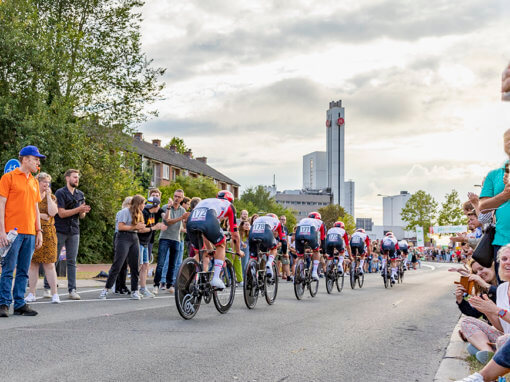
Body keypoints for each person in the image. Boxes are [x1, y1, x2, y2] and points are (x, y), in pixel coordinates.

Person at [0, 145, 45, 317]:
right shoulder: (8, 177)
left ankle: (19, 303)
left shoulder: (33, 181)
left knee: (23, 270)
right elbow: (1, 205)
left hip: (30, 233)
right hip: (12, 232)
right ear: (25, 159)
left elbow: (35, 208)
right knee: (8, 268)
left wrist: (39, 230)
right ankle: (4, 303)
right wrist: (2, 231)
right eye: (35, 159)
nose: (37, 162)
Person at [46, 169, 91, 300]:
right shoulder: (60, 193)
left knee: (72, 261)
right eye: (74, 177)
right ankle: (48, 287)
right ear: (67, 178)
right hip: (60, 229)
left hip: (74, 230)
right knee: (53, 259)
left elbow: (81, 216)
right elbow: (61, 213)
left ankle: (72, 289)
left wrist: (83, 211)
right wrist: (78, 209)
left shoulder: (80, 194)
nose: (77, 179)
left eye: (78, 177)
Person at [186, 190, 242, 289]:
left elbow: (203, 231)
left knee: (201, 253)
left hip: (191, 221)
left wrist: (209, 248)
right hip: (208, 218)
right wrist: (238, 251)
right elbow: (235, 235)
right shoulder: (229, 206)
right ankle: (216, 278)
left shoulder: (208, 201)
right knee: (221, 244)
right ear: (231, 200)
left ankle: (186, 276)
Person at [99, 195, 146, 300]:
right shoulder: (125, 211)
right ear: (138, 204)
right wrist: (135, 227)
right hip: (123, 237)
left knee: (135, 266)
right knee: (118, 264)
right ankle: (106, 289)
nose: (144, 205)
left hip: (134, 237)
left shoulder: (140, 213)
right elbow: (120, 227)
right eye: (143, 203)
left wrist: (146, 228)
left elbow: (140, 229)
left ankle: (135, 290)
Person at [479, 129, 510, 276]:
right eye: (506, 140)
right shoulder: (493, 175)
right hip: (502, 242)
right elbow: (483, 207)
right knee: (503, 290)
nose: (509, 142)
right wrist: (504, 195)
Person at [25, 173, 60, 304]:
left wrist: (49, 198)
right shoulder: (32, 196)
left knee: (49, 264)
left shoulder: (52, 197)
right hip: (33, 231)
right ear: (37, 182)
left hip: (49, 233)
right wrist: (41, 216)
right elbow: (28, 212)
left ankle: (54, 294)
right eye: (44, 182)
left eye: (48, 182)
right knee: (33, 264)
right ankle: (32, 293)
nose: (46, 184)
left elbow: (52, 213)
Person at [153, 189, 189, 295]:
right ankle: (156, 284)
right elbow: (167, 222)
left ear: (182, 199)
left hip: (176, 239)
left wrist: (186, 220)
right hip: (165, 238)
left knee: (173, 264)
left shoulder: (182, 210)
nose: (176, 198)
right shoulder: (166, 207)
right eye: (175, 196)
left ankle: (169, 284)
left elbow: (183, 225)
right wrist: (170, 209)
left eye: (179, 197)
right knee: (161, 263)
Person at [137, 196, 167, 298]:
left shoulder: (152, 214)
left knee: (145, 265)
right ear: (155, 205)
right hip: (139, 242)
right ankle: (135, 289)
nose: (159, 207)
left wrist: (158, 227)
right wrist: (155, 227)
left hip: (146, 242)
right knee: (139, 265)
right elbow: (140, 229)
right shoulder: (144, 213)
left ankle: (143, 288)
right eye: (158, 205)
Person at [248, 213, 284, 277]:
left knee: (253, 257)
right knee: (274, 249)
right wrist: (284, 251)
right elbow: (283, 239)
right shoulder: (277, 222)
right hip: (266, 234)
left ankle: (252, 273)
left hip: (252, 234)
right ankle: (269, 263)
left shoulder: (259, 219)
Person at [294, 212, 326, 281]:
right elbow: (323, 238)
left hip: (299, 234)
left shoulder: (303, 220)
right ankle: (314, 272)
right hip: (311, 235)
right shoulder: (320, 222)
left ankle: (300, 274)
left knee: (300, 256)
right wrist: (323, 250)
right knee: (316, 251)